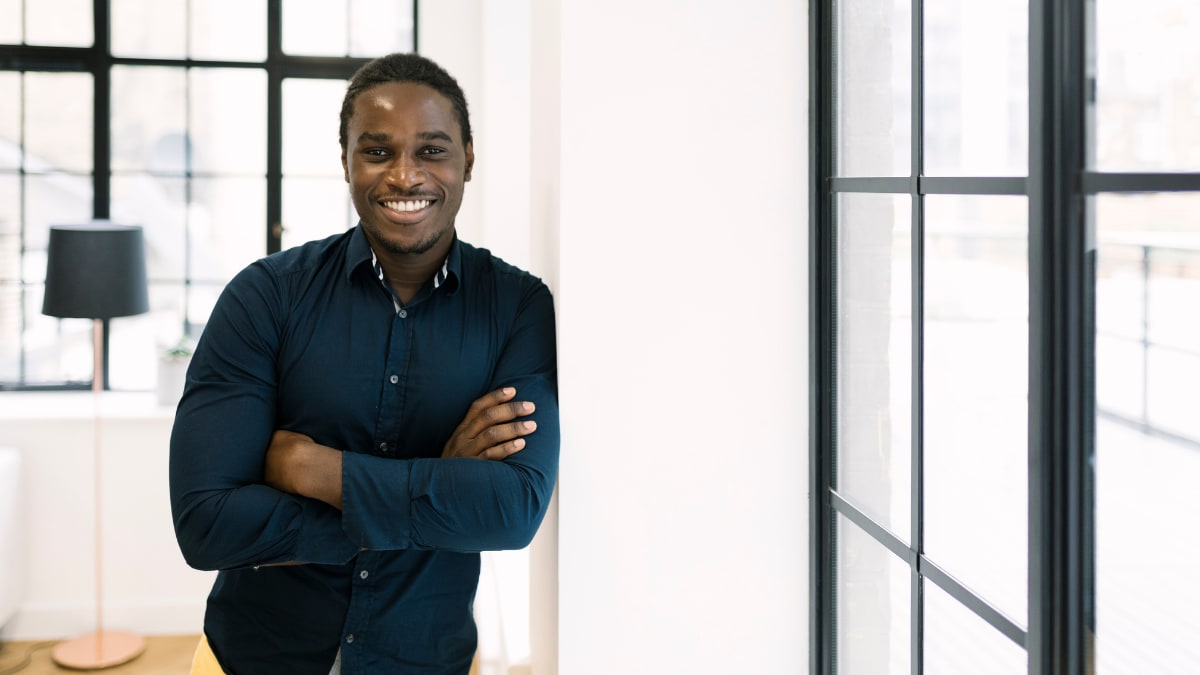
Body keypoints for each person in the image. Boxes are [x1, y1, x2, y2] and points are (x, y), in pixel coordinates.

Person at [169, 52, 559, 675]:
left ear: (468, 159)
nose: (405, 177)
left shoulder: (517, 307)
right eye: (378, 151)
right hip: (254, 658)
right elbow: (207, 524)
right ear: (345, 160)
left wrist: (312, 469)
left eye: (431, 150)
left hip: (427, 659)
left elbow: (510, 512)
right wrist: (435, 487)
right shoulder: (266, 296)